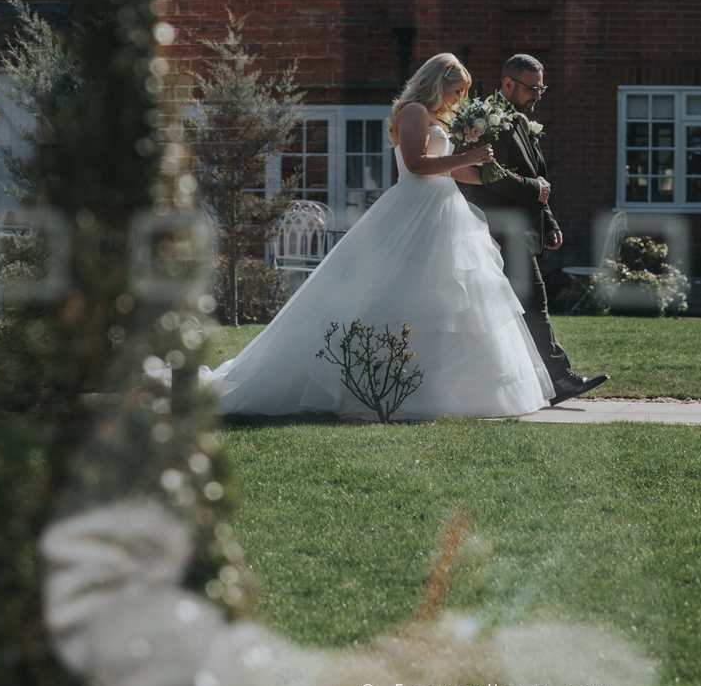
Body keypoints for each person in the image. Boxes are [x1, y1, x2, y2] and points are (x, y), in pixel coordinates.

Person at [203, 53, 554, 419]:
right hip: (414, 208)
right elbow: (417, 165)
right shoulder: (413, 112)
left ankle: (445, 393)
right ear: (437, 81)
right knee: (400, 293)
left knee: (455, 299)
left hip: (445, 210)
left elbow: (455, 173)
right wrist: (467, 158)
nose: (459, 99)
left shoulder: (441, 117)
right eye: (455, 90)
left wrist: (501, 175)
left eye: (463, 93)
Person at [456, 54, 609, 404]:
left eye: (542, 88)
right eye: (532, 88)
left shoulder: (521, 120)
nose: (539, 96)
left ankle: (537, 380)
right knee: (534, 303)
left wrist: (550, 220)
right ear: (508, 84)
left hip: (525, 228)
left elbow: (539, 176)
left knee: (519, 307)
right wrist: (533, 191)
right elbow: (484, 173)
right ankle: (561, 378)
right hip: (500, 230)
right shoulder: (485, 118)